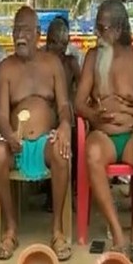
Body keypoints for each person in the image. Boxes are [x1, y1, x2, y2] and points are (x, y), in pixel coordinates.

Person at [74, 0, 133, 264]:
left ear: (120, 29)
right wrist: (92, 115)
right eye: (97, 28)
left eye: (104, 28)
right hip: (104, 134)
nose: (98, 34)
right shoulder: (92, 57)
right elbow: (78, 103)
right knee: (92, 153)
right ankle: (116, 233)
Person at [0, 6, 72, 261]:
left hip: (46, 139)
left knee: (61, 151)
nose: (19, 36)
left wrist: (65, 126)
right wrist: (9, 134)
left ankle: (57, 230)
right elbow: (1, 114)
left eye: (25, 30)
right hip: (16, 141)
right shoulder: (6, 68)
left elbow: (64, 106)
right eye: (16, 30)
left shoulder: (52, 63)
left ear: (38, 34)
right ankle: (10, 229)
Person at [43, 15, 81, 211]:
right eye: (54, 42)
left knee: (73, 133)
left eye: (63, 43)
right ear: (47, 39)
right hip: (45, 115)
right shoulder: (38, 60)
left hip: (65, 113)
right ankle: (50, 193)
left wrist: (71, 103)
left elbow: (83, 90)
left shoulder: (70, 62)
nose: (58, 47)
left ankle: (71, 190)